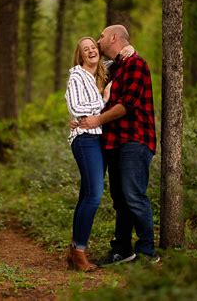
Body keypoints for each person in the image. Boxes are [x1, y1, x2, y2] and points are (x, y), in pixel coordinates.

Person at [79, 25, 159, 265]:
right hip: (114, 142)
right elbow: (92, 80)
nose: (98, 40)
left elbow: (127, 105)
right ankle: (122, 249)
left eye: (101, 37)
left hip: (135, 140)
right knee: (120, 199)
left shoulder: (136, 64)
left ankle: (147, 253)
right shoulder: (115, 68)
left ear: (114, 37)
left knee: (134, 196)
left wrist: (97, 120)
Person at [65, 37, 134, 272]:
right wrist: (104, 99)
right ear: (81, 56)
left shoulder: (104, 71)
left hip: (100, 139)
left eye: (93, 47)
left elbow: (122, 57)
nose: (91, 51)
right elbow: (77, 109)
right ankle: (80, 252)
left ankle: (74, 249)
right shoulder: (77, 75)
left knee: (87, 194)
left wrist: (130, 48)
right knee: (94, 194)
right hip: (85, 140)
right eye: (86, 49)